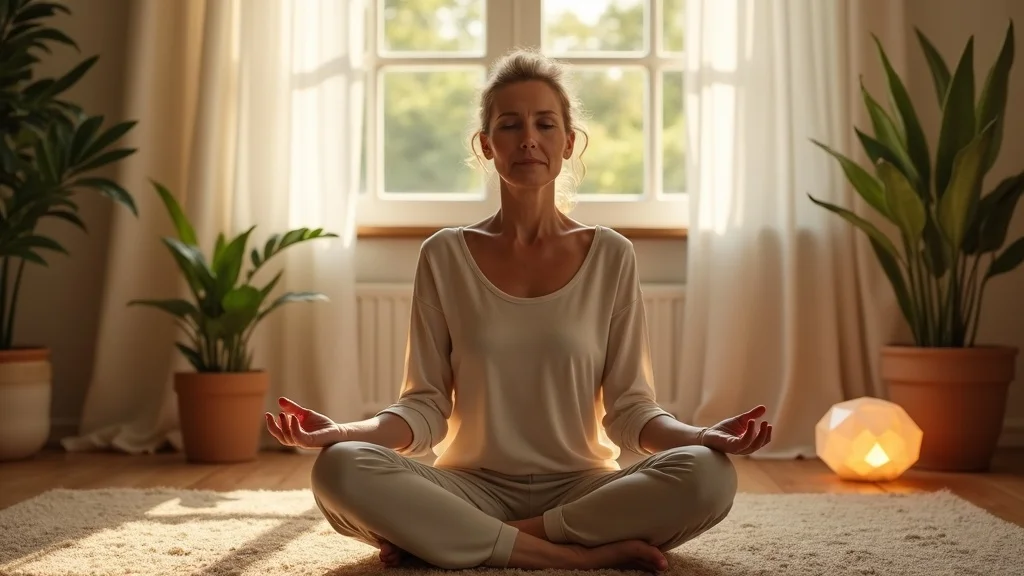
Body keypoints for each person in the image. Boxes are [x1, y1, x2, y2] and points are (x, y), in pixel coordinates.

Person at [265, 47, 772, 572]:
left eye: (545, 124)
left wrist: (701, 436)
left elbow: (630, 412)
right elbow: (425, 408)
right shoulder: (444, 254)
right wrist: (342, 432)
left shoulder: (611, 255)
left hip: (583, 492)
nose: (528, 138)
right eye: (509, 125)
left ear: (569, 142)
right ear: (486, 145)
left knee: (711, 474)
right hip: (469, 487)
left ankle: (474, 541)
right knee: (339, 469)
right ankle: (577, 558)